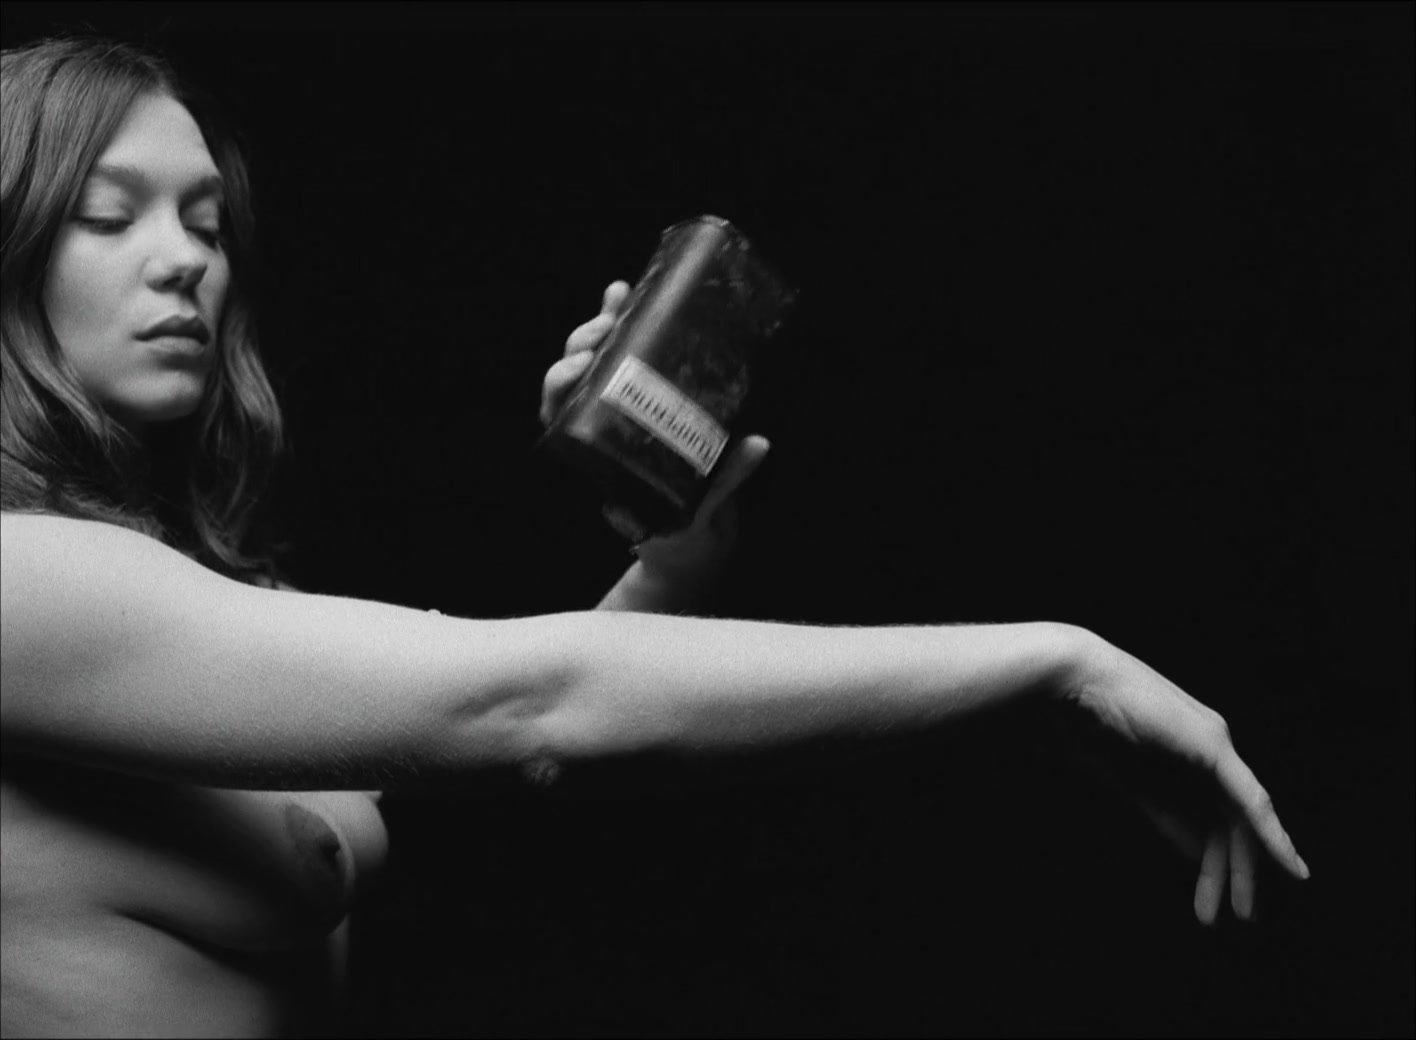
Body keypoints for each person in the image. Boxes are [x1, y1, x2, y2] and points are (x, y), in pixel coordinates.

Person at [0, 33, 1310, 1040]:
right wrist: (1053, 663)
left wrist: (674, 558)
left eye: (207, 221)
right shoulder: (16, 575)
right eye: (109, 216)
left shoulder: (181, 595)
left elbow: (497, 784)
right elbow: (526, 711)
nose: (187, 259)